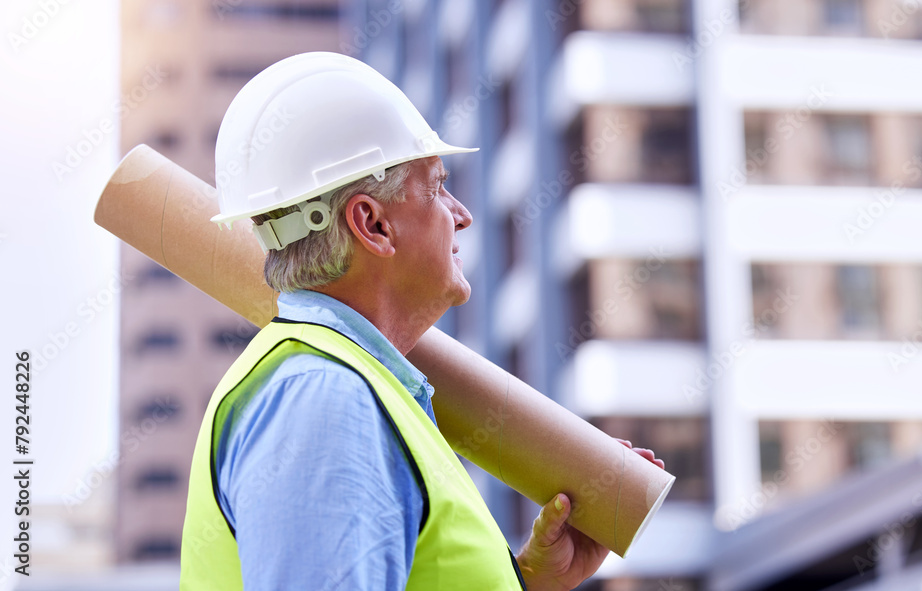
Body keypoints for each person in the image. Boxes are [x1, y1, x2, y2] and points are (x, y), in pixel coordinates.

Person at [180, 52, 663, 590]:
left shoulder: (356, 388)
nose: (462, 215)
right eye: (436, 188)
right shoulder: (324, 398)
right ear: (373, 224)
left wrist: (527, 583)